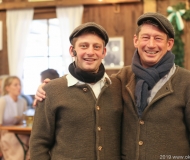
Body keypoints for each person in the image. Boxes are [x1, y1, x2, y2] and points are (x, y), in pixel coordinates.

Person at [35, 13, 190, 159]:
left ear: (169, 44)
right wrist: (49, 88)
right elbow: (88, 83)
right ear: (136, 41)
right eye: (146, 37)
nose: (151, 44)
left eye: (158, 38)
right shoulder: (121, 79)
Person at [29, 22, 122, 160]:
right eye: (84, 46)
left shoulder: (117, 87)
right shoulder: (51, 90)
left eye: (96, 47)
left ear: (104, 52)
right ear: (72, 51)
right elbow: (38, 144)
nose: (90, 52)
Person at [0, 76, 30, 160]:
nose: (19, 87)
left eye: (20, 84)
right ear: (7, 88)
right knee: (17, 143)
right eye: (15, 85)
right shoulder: (2, 101)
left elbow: (23, 122)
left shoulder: (23, 101)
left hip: (19, 132)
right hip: (5, 134)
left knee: (34, 140)